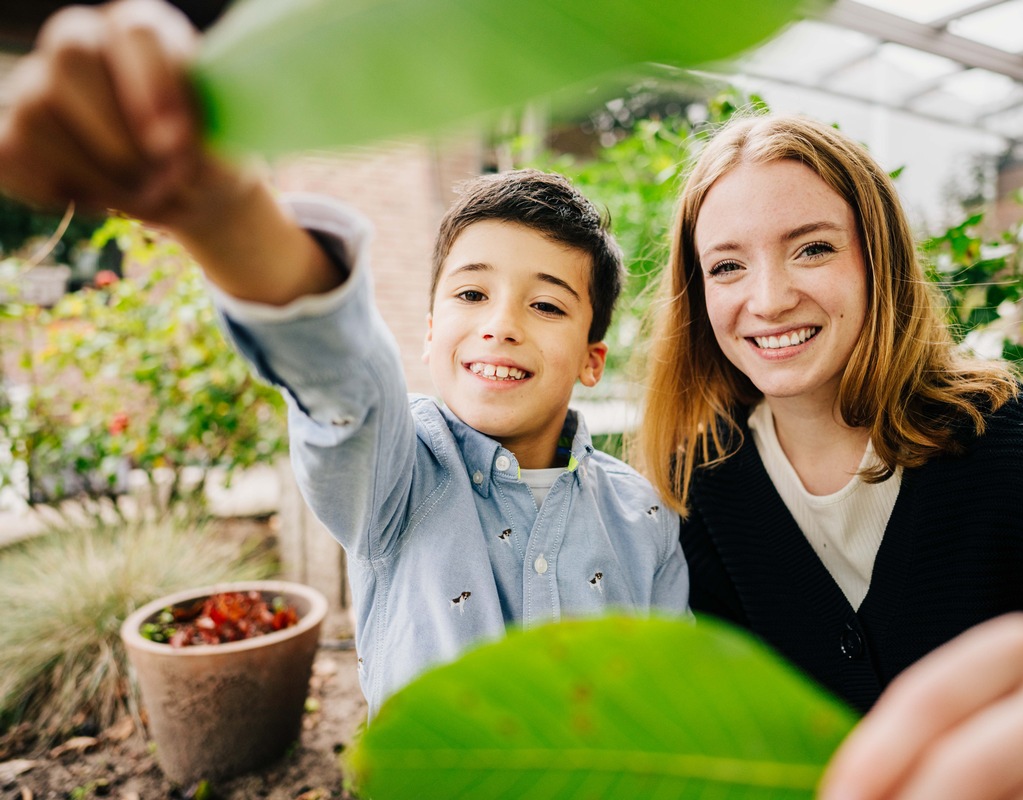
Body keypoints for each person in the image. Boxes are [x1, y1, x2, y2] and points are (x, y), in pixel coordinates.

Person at [0, 0, 688, 718]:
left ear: (592, 358)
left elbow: (670, 701)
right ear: (429, 333)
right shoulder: (399, 476)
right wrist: (222, 210)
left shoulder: (643, 517)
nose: (501, 325)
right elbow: (340, 378)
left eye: (546, 305)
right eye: (472, 293)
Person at [632, 112, 1023, 799]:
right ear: (698, 293)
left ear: (880, 258)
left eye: (812, 249)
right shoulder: (704, 491)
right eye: (727, 266)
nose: (770, 299)